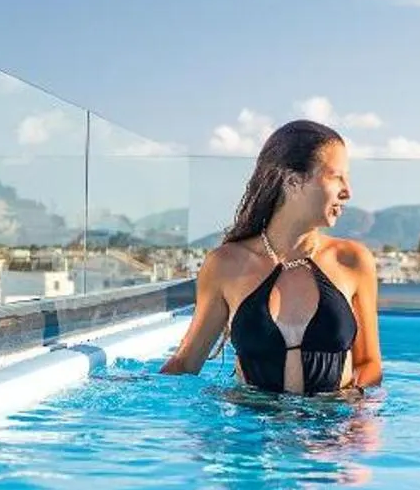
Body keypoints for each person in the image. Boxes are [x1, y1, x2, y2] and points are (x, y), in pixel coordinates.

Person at [160, 119, 382, 395]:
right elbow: (186, 362)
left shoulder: (352, 260)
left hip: (330, 429)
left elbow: (369, 363)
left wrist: (358, 426)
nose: (348, 191)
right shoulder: (225, 265)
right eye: (336, 176)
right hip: (251, 430)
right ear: (293, 180)